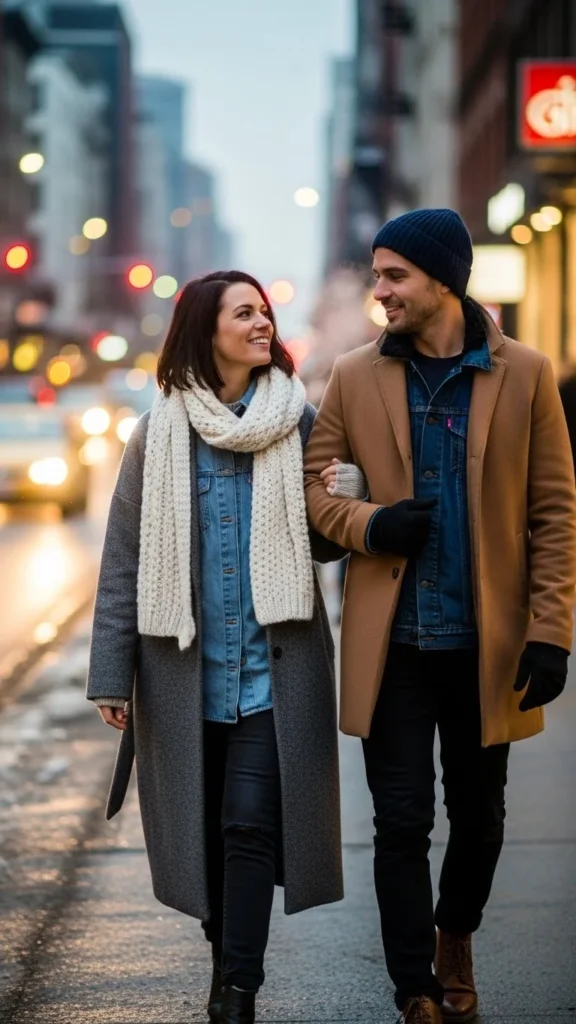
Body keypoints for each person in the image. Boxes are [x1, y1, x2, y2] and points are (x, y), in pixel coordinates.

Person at [304, 209, 576, 1024]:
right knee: (399, 823)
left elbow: (555, 511)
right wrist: (372, 525)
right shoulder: (354, 375)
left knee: (481, 819)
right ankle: (415, 985)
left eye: (395, 276)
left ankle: (454, 931)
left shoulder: (524, 374)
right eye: (376, 275)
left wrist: (552, 630)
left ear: (444, 280)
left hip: (485, 642)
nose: (379, 291)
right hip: (394, 644)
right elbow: (315, 492)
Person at [86, 270, 357, 1024]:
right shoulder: (157, 434)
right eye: (245, 313)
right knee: (205, 836)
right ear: (207, 330)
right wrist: (112, 675)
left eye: (265, 312)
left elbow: (328, 548)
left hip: (276, 674)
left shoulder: (298, 422)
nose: (263, 322)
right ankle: (224, 957)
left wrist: (342, 494)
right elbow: (124, 563)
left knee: (248, 825)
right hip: (184, 676)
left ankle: (237, 988)